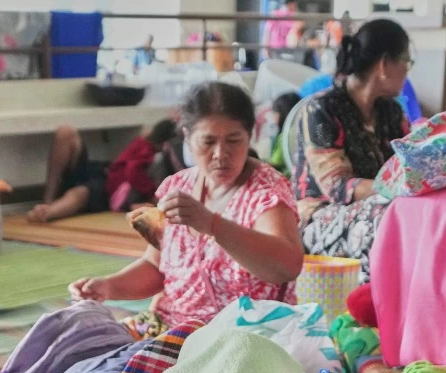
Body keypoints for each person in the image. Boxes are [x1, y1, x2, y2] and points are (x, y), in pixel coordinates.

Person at [68, 81, 303, 334]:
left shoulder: (265, 191)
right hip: (171, 327)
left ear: (251, 135)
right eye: (207, 141)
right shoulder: (177, 188)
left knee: (131, 369)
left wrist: (213, 225)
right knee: (72, 341)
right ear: (188, 138)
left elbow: (287, 266)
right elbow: (156, 268)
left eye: (234, 140)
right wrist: (109, 287)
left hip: (241, 336)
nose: (220, 153)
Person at [289, 18, 411, 278]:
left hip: (379, 206)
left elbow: (410, 163)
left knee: (419, 214)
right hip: (319, 218)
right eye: (406, 61)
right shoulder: (321, 111)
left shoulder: (392, 113)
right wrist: (397, 188)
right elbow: (337, 187)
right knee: (390, 219)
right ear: (384, 65)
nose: (407, 70)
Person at [27, 118, 180, 223]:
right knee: (66, 131)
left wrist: (149, 201)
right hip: (106, 173)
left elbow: (141, 188)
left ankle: (46, 212)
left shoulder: (166, 161)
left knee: (80, 194)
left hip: (106, 191)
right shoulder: (145, 146)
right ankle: (47, 199)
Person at [268, 91, 302, 175]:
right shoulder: (301, 130)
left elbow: (275, 163)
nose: (273, 117)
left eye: (275, 113)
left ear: (282, 113)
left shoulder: (286, 136)